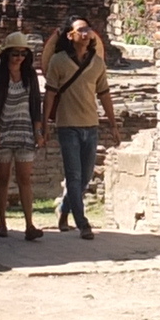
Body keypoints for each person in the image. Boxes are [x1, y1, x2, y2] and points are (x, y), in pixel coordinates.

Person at [43, 16, 115, 238]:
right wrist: (45, 123)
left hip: (91, 126)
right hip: (68, 126)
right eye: (81, 30)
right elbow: (50, 93)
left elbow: (104, 94)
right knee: (73, 177)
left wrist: (113, 124)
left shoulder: (97, 63)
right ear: (70, 35)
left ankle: (64, 209)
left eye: (88, 30)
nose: (86, 34)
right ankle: (83, 223)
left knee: (84, 178)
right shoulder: (58, 61)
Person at [0, 33, 45, 241]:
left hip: (25, 131)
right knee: (3, 178)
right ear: (7, 54)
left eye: (23, 54)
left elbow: (36, 103)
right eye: (15, 53)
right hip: (4, 131)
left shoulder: (30, 75)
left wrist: (38, 131)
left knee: (25, 179)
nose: (19, 58)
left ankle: (29, 224)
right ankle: (2, 222)